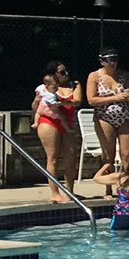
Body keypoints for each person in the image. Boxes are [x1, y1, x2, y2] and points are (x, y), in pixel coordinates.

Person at [85, 49, 129, 184]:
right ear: (102, 62)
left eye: (115, 60)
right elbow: (91, 100)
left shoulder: (125, 75)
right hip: (104, 117)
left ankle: (127, 184)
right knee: (109, 154)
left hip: (126, 115)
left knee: (126, 153)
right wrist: (116, 97)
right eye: (109, 61)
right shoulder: (94, 76)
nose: (113, 64)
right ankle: (108, 185)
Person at [32, 60, 80, 201]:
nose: (66, 74)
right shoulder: (46, 87)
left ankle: (70, 191)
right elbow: (35, 107)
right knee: (52, 158)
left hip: (67, 122)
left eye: (67, 70)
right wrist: (36, 100)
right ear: (54, 74)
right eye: (62, 72)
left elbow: (77, 101)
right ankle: (55, 193)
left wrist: (62, 102)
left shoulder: (74, 85)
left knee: (71, 158)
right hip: (49, 121)